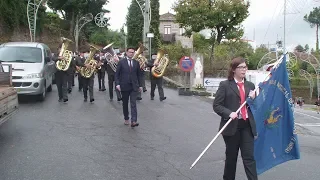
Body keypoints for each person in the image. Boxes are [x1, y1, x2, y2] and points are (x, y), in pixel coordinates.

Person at [213, 57, 258, 180]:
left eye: (245, 67)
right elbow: (217, 106)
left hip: (247, 125)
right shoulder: (225, 85)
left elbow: (255, 106)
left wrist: (254, 98)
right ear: (233, 69)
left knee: (249, 157)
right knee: (231, 158)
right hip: (232, 126)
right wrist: (228, 113)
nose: (244, 69)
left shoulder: (250, 85)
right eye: (241, 67)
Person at [115, 47, 142, 128]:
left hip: (134, 86)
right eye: (130, 52)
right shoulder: (121, 62)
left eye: (133, 52)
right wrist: (117, 84)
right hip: (124, 85)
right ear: (126, 52)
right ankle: (126, 118)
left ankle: (133, 121)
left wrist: (140, 85)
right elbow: (117, 74)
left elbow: (139, 75)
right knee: (125, 103)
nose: (131, 53)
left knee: (133, 103)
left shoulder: (136, 62)